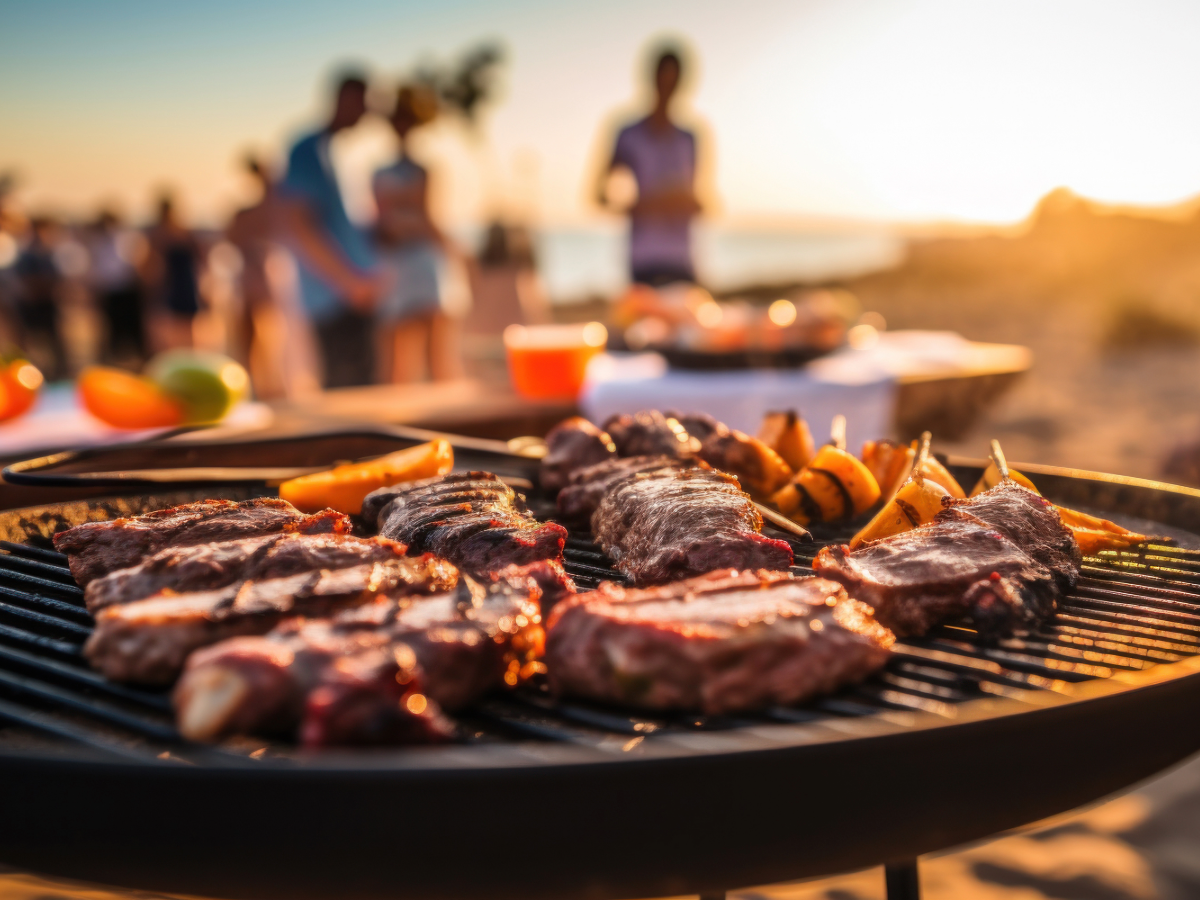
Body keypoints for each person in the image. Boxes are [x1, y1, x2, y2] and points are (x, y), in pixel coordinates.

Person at [278, 72, 381, 388]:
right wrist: (350, 283)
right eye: (363, 102)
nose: (367, 111)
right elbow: (297, 224)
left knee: (362, 387)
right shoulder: (308, 149)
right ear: (345, 99)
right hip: (336, 298)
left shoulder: (336, 151)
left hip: (352, 295)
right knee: (349, 394)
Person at [371, 84, 464, 383]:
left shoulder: (423, 169)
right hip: (398, 262)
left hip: (423, 261)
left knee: (438, 352)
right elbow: (389, 219)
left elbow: (423, 217)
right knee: (396, 355)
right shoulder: (382, 171)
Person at [598, 46, 702, 287]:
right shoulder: (629, 135)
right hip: (644, 259)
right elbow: (600, 195)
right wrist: (647, 204)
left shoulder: (689, 138)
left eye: (673, 81)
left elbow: (696, 198)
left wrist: (691, 203)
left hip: (683, 259)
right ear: (651, 79)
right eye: (662, 79)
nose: (667, 88)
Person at [86, 209, 146, 367]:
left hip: (129, 291)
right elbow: (95, 270)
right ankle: (115, 362)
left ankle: (139, 361)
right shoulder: (97, 243)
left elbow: (137, 263)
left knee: (133, 330)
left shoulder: (128, 238)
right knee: (112, 331)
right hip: (109, 292)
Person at [145, 192, 202, 350]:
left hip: (184, 282)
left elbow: (201, 257)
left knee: (187, 326)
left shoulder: (181, 232)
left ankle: (190, 357)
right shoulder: (160, 234)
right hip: (170, 284)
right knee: (168, 329)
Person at [13, 216, 67, 379]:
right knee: (31, 340)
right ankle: (30, 372)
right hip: (32, 304)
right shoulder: (26, 253)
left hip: (47, 302)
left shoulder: (50, 252)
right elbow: (27, 281)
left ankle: (58, 371)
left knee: (54, 339)